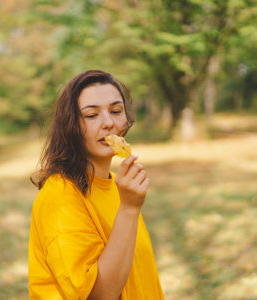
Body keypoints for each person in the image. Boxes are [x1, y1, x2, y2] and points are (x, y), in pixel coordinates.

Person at [28, 70, 164, 299]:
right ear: (70, 126)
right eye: (91, 115)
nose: (109, 123)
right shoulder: (60, 196)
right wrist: (130, 208)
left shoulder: (115, 186)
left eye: (116, 111)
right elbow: (97, 295)